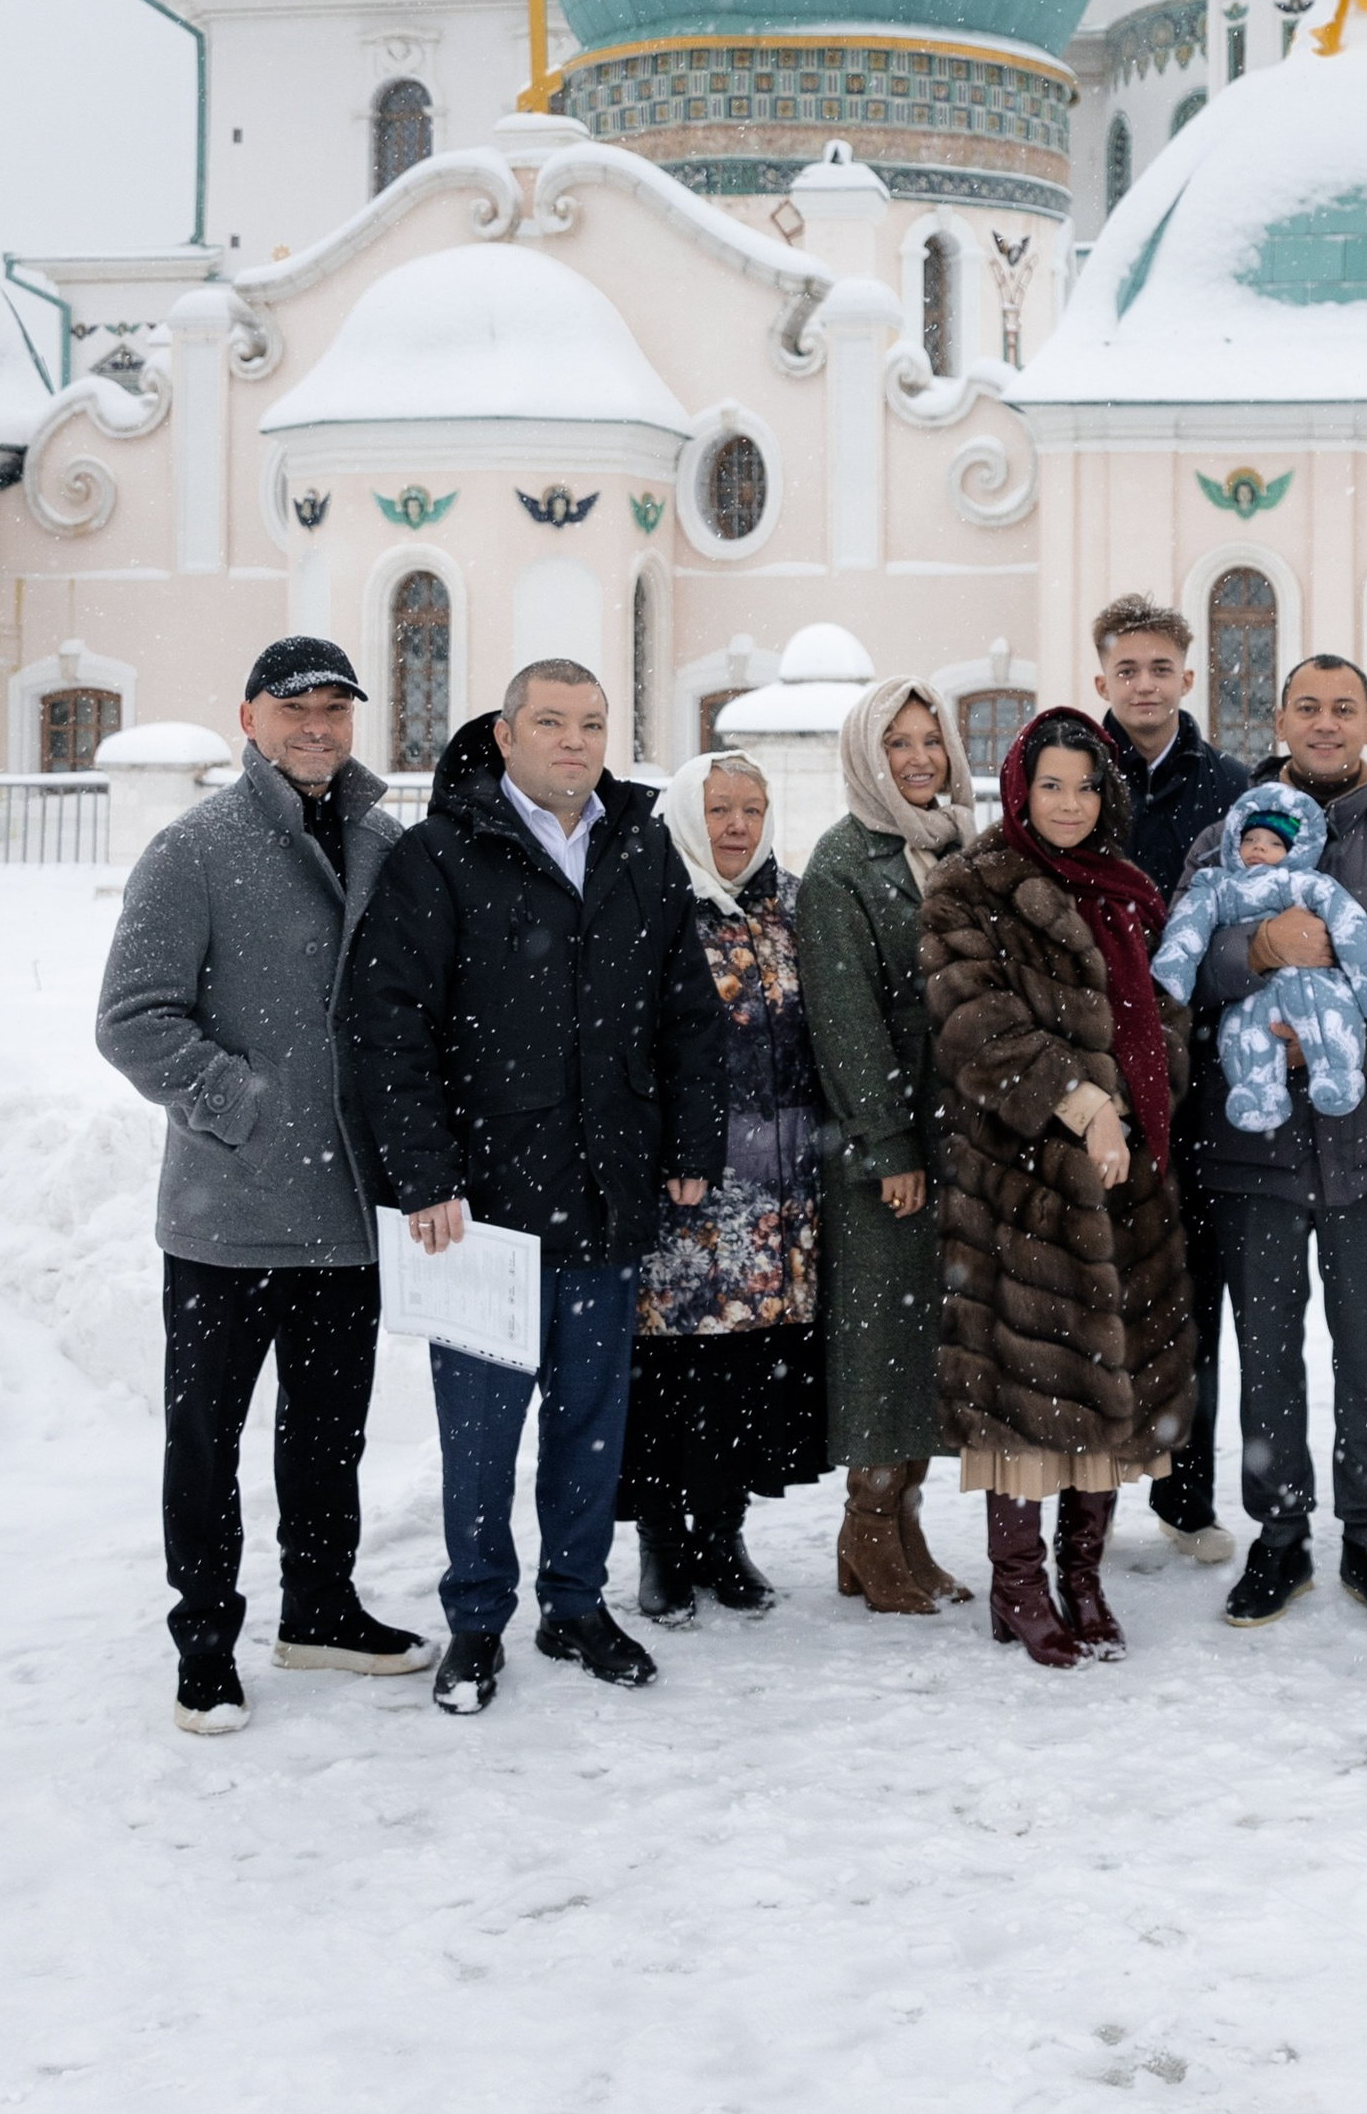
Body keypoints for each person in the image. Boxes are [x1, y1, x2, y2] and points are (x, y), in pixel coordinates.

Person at [341, 663, 725, 1714]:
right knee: (479, 1432)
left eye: (592, 725)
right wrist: (423, 1177)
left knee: (591, 1419)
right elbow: (390, 1029)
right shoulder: (440, 856)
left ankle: (573, 1603)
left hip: (606, 1192)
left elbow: (685, 1009)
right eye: (550, 723)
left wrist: (689, 1140)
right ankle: (475, 1620)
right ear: (504, 735)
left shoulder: (638, 846)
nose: (574, 742)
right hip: (481, 1213)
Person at [96, 636, 430, 1735]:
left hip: (343, 1216)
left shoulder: (383, 843)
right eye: (295, 708)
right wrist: (243, 1106)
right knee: (207, 1439)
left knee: (328, 1435)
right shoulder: (192, 850)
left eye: (336, 707)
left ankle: (320, 1611)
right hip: (228, 1214)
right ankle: (205, 1642)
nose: (318, 726)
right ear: (249, 719)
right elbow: (134, 1019)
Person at [1180, 655, 1367, 1638]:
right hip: (1253, 1141)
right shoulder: (1226, 839)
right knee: (1266, 1354)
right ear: (1279, 718)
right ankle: (1278, 1537)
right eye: (1306, 706)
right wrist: (1253, 954)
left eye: (1341, 708)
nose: (1323, 722)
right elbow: (1177, 970)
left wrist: (1349, 1038)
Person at [917, 709, 1195, 1665]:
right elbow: (974, 1026)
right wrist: (1083, 1103)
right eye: (1051, 786)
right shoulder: (971, 886)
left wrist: (1157, 1084)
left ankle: (1084, 1577)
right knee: (1029, 1394)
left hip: (1130, 1183)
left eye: (1086, 786)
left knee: (1111, 1397)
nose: (1069, 804)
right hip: (1022, 1187)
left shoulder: (1128, 890)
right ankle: (1020, 1586)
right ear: (1019, 792)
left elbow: (1163, 1010)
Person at [617, 754, 826, 1628]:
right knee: (672, 1380)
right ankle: (664, 1547)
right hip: (687, 1204)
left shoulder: (790, 910)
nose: (736, 826)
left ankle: (724, 1535)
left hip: (780, 1205)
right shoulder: (652, 908)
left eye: (752, 808)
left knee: (747, 1381)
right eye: (718, 810)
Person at [795, 677, 980, 1615]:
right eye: (898, 743)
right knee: (879, 1340)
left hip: (955, 1138)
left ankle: (898, 1523)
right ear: (869, 755)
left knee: (920, 1341)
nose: (918, 759)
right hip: (888, 1147)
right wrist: (888, 1144)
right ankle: (869, 1524)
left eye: (931, 740)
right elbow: (846, 1021)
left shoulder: (957, 844)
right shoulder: (841, 864)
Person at [1093, 594, 1250, 1566]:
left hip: (1201, 1080)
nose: (1144, 684)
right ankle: (1093, 1489)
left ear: (1187, 679)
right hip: (1098, 1075)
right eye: (1127, 669)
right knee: (1096, 1293)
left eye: (1160, 669)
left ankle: (1185, 1497)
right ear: (1102, 677)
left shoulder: (1227, 787)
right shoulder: (1071, 772)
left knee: (1191, 1299)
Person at [1152, 786, 1367, 1130]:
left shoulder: (1305, 882)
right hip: (1251, 993)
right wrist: (1177, 963)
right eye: (1251, 839)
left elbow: (1349, 922)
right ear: (1233, 843)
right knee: (1243, 1031)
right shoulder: (1217, 886)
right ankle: (1255, 1093)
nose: (1259, 847)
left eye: (1274, 843)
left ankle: (1337, 1073)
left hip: (1314, 982)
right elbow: (1189, 923)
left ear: (1294, 850)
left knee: (1331, 1017)